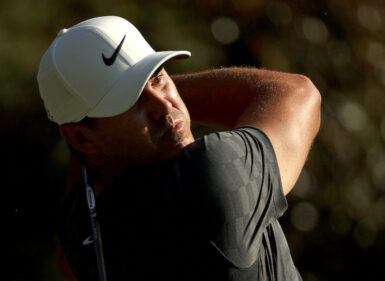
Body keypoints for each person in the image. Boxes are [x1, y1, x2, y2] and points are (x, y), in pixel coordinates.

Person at [37, 16, 321, 281]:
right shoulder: (207, 176)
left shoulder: (79, 225)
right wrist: (170, 92)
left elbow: (84, 165)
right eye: (131, 100)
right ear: (83, 138)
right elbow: (298, 93)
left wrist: (113, 103)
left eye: (159, 77)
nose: (164, 105)